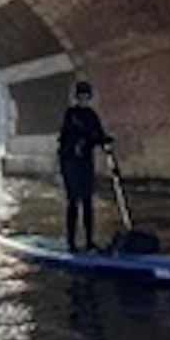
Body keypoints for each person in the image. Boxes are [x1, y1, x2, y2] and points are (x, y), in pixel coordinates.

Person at [57, 80, 112, 252]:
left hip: (85, 163)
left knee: (88, 201)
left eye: (86, 97)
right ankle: (71, 243)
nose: (84, 100)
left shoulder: (91, 114)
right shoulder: (71, 114)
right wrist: (92, 138)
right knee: (73, 201)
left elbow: (98, 133)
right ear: (76, 97)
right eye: (81, 96)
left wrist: (105, 141)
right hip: (70, 162)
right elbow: (74, 134)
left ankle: (89, 241)